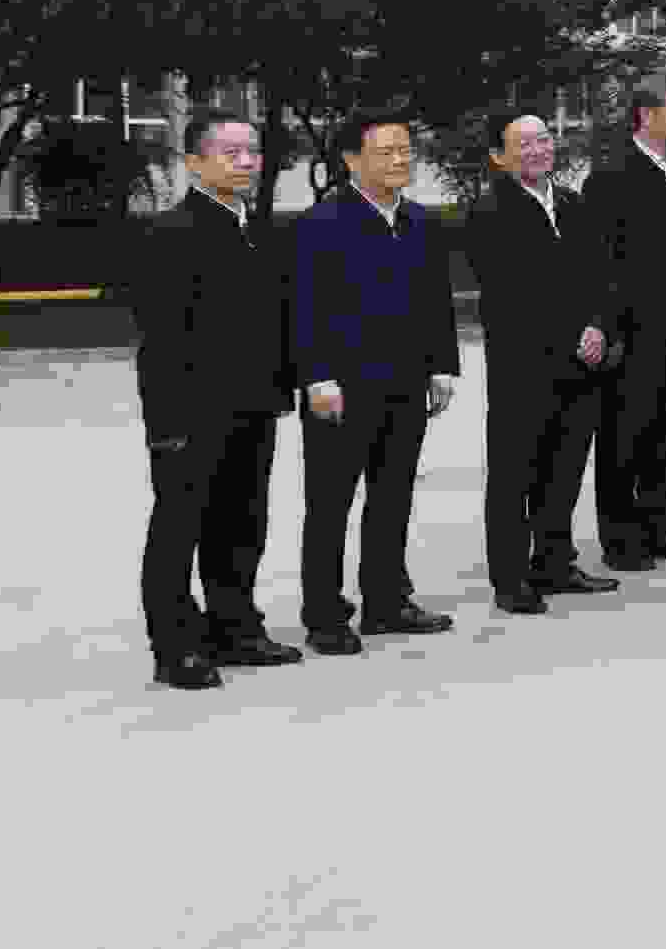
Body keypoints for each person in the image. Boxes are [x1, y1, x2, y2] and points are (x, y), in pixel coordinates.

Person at [134, 113, 299, 687]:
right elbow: (160, 340)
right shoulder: (171, 233)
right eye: (231, 153)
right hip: (192, 414)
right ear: (194, 162)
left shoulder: (259, 231)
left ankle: (235, 629)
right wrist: (166, 425)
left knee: (242, 524)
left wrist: (283, 389)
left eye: (253, 151)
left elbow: (276, 322)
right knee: (179, 530)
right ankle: (176, 647)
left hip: (253, 406)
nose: (247, 162)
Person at [289, 106, 461, 654]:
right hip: (342, 389)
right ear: (351, 160)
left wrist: (442, 365)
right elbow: (304, 308)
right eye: (386, 152)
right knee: (330, 504)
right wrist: (316, 378)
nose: (399, 160)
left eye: (405, 150)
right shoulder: (322, 223)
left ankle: (386, 601)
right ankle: (324, 614)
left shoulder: (419, 221)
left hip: (406, 384)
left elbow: (436, 300)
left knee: (393, 497)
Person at [459, 107, 621, 616]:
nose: (538, 149)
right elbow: (511, 296)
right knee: (515, 476)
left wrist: (598, 326)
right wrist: (571, 335)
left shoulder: (572, 204)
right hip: (524, 369)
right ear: (498, 156)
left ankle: (555, 563)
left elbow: (601, 276)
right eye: (523, 143)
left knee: (564, 470)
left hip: (581, 366)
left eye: (544, 139)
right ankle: (511, 579)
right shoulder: (489, 212)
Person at [580, 69, 666, 572]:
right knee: (626, 436)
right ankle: (621, 539)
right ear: (645, 113)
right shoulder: (611, 177)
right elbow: (598, 262)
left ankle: (660, 525)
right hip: (632, 336)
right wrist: (606, 324)